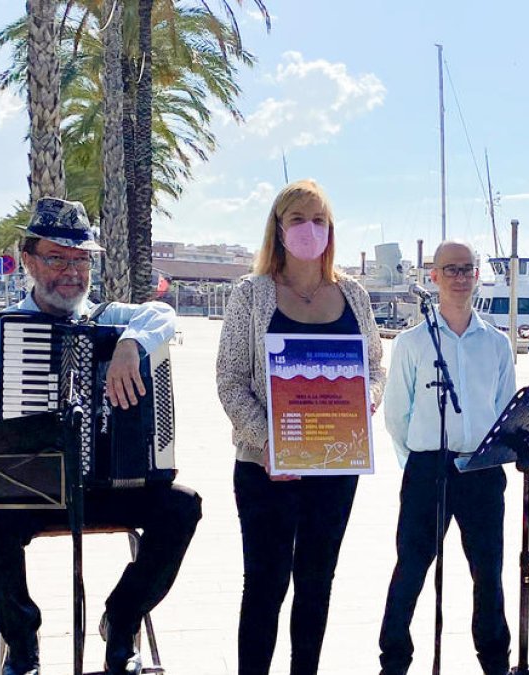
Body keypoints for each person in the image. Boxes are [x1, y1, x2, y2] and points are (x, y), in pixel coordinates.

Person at [0, 197, 202, 675]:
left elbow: (163, 314)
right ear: (29, 260)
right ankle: (22, 643)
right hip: (29, 490)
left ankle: (121, 623)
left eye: (81, 259)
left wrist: (130, 346)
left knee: (182, 507)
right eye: (57, 257)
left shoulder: (113, 321)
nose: (71, 270)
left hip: (106, 488)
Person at [216, 179, 386, 675]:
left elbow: (375, 366)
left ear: (330, 229)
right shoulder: (251, 294)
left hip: (336, 467)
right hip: (265, 468)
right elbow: (229, 381)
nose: (309, 229)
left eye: (318, 220)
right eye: (297, 219)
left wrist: (366, 401)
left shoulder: (353, 294)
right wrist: (270, 444)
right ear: (278, 228)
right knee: (265, 586)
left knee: (317, 583)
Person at [378, 241, 514, 675]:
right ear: (433, 276)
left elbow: (505, 406)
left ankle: (495, 660)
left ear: (477, 276)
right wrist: (417, 463)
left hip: (482, 470)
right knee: (412, 568)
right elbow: (397, 415)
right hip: (428, 470)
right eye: (450, 269)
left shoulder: (496, 344)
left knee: (488, 573)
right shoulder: (412, 343)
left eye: (467, 269)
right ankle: (394, 661)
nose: (459, 277)